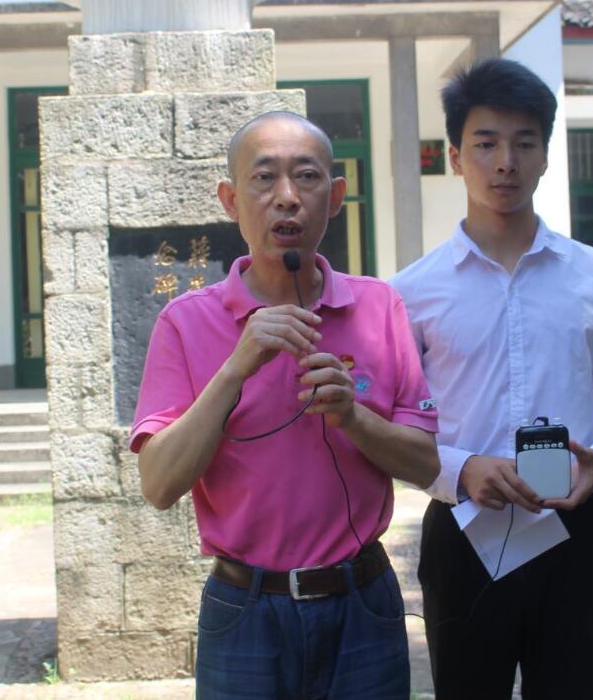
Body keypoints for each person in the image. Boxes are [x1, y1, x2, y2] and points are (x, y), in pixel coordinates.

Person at [131, 111, 440, 699]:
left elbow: (425, 464)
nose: (287, 198)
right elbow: (159, 485)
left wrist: (352, 417)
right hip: (245, 609)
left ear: (336, 196)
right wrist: (235, 368)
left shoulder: (379, 308)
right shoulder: (185, 322)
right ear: (230, 200)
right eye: (264, 177)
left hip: (361, 601)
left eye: (307, 176)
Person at [391, 58, 593, 699]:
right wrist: (460, 470)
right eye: (485, 144)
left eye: (523, 143)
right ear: (456, 158)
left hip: (573, 528)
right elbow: (395, 426)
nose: (505, 162)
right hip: (463, 533)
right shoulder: (412, 291)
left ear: (545, 156)